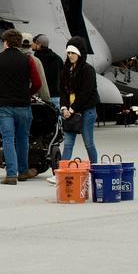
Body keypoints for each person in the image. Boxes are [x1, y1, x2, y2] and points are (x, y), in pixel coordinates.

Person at [0, 29, 43, 185]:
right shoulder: (27, 60)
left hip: (4, 105)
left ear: (5, 42)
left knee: (8, 139)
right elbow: (37, 83)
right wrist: (28, 94)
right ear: (19, 43)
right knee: (23, 139)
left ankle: (10, 175)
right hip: (23, 105)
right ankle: (23, 172)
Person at [50, 40, 101, 183]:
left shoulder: (88, 70)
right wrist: (64, 108)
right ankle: (62, 172)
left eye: (73, 53)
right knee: (67, 143)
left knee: (88, 142)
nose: (70, 55)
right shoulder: (66, 70)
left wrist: (72, 109)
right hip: (70, 111)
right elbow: (63, 91)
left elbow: (86, 92)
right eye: (68, 53)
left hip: (86, 110)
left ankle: (94, 170)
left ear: (79, 54)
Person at [29, 35, 64, 107]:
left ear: (39, 45)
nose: (31, 44)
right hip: (56, 96)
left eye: (34, 42)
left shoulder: (36, 60)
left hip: (41, 97)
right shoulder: (58, 58)